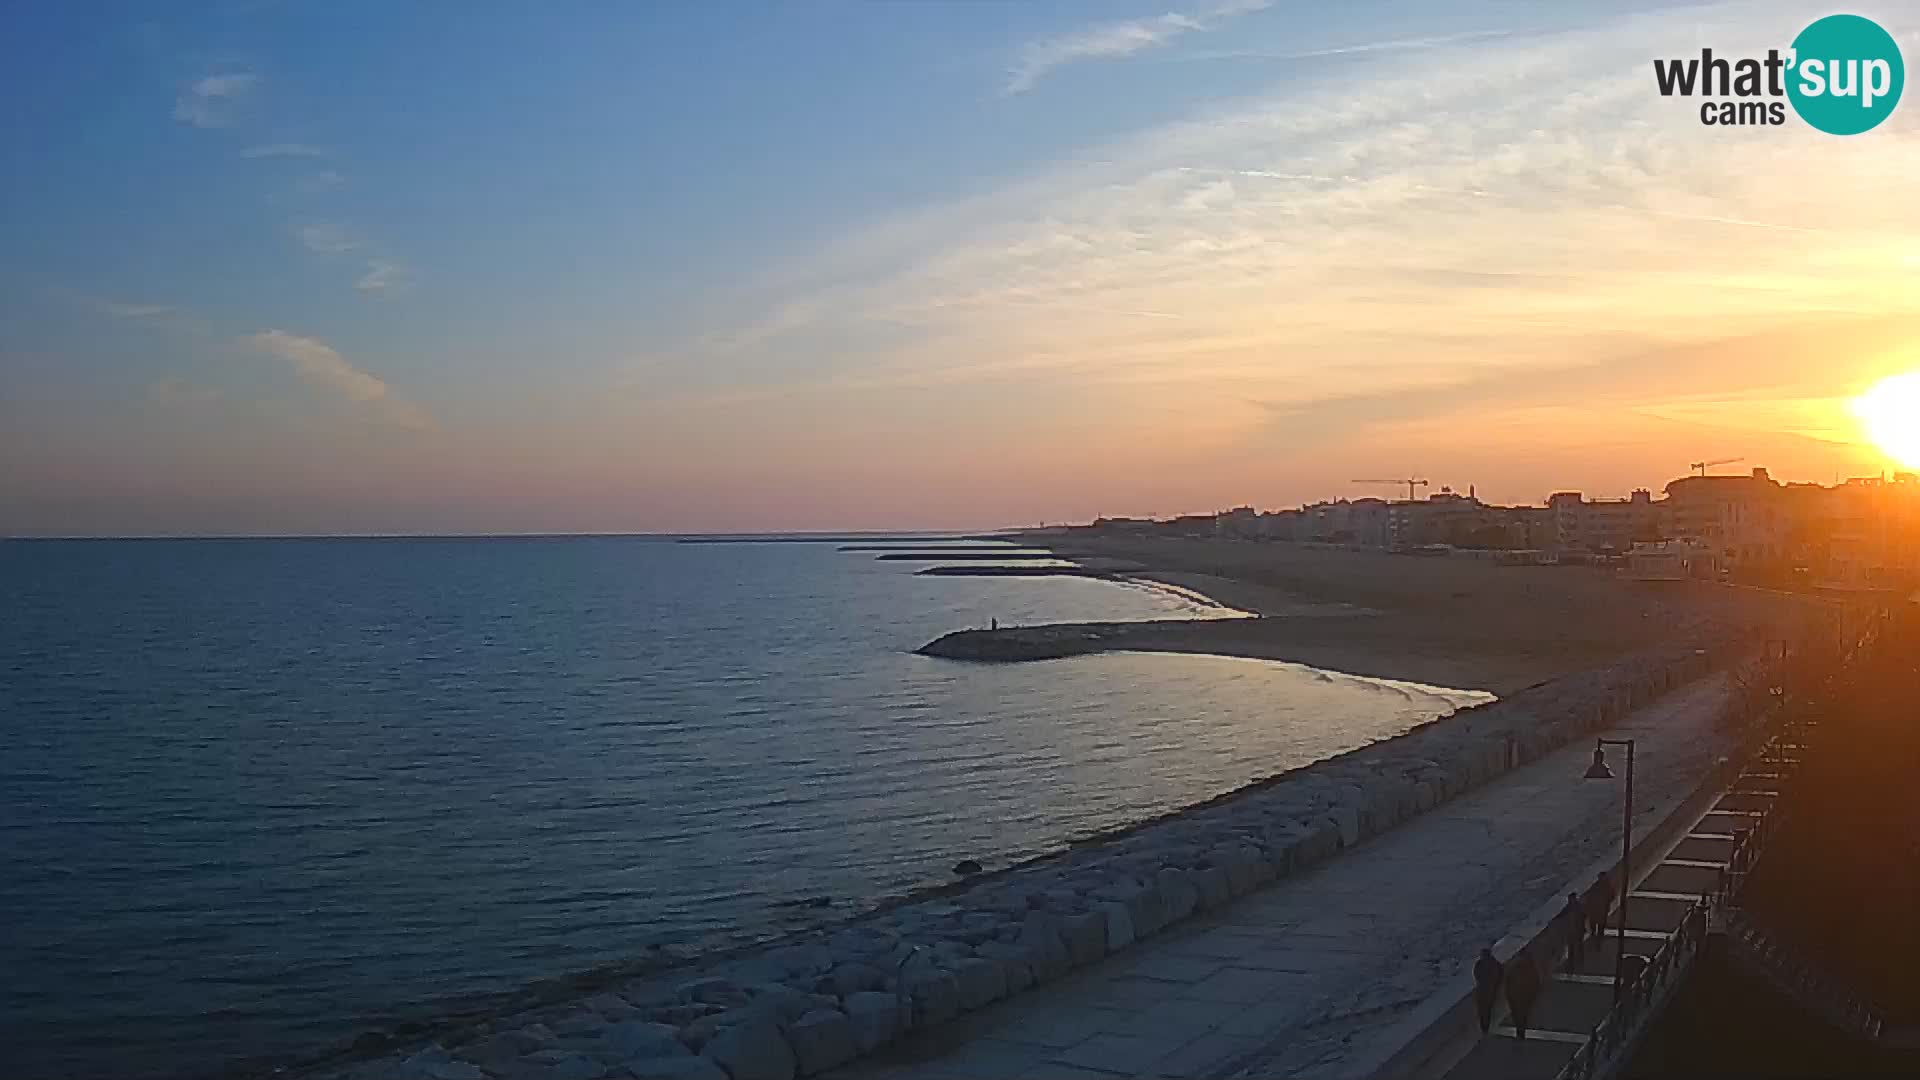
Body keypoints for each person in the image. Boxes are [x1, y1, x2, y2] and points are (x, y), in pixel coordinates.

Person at [1505, 948, 1542, 1041]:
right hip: (1524, 996)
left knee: (1518, 1015)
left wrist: (1508, 995)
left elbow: (1507, 982)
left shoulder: (1513, 967)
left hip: (1517, 996)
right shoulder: (1530, 967)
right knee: (1523, 1015)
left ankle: (1520, 1032)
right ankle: (1521, 1032)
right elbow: (1536, 982)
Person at [1472, 947, 1505, 1034]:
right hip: (1491, 990)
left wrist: (1480, 983)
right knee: (1488, 1009)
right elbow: (1501, 974)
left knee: (1482, 1010)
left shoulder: (1479, 963)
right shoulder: (1495, 963)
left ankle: (1484, 1028)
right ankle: (1486, 1027)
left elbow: (1475, 974)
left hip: (1482, 990)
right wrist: (1496, 985)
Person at [1585, 873, 1613, 945]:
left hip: (1599, 910)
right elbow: (1612, 896)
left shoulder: (1598, 886)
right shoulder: (1606, 886)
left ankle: (1597, 940)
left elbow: (1589, 897)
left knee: (1598, 927)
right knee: (1598, 926)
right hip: (1599, 910)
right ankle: (1597, 940)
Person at [1563, 891, 1587, 970]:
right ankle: (1571, 963)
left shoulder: (1575, 908)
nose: (1570, 900)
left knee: (1578, 946)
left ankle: (1580, 960)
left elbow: (1583, 917)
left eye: (1570, 899)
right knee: (1571, 948)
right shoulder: (1568, 908)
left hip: (1577, 930)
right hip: (1571, 932)